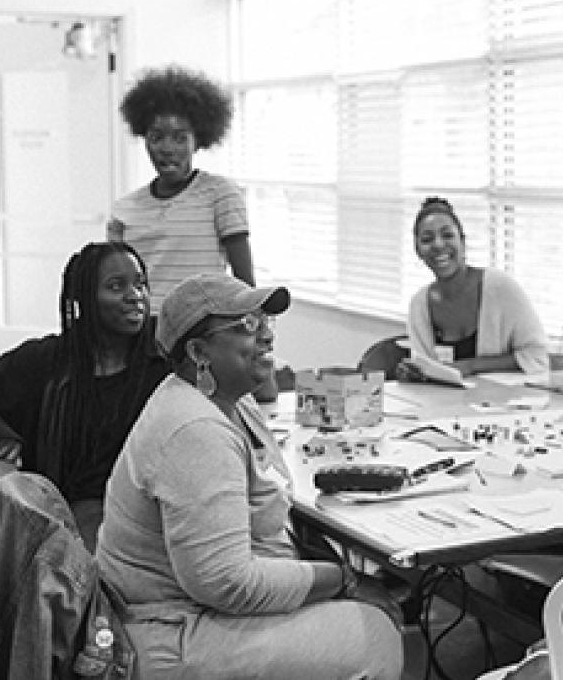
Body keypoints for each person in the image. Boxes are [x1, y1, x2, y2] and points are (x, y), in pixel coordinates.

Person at [95, 273, 403, 680]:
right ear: (198, 351)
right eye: (247, 326)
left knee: (358, 607)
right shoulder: (194, 429)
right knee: (375, 636)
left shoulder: (228, 400)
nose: (267, 337)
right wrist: (342, 579)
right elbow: (227, 583)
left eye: (266, 323)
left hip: (193, 610)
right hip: (168, 633)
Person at [0, 241, 165, 550]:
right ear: (82, 298)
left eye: (140, 284)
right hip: (86, 510)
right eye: (115, 286)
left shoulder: (163, 355)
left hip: (156, 504)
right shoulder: (50, 360)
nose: (135, 296)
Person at [107, 65, 253, 312]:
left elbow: (244, 284)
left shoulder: (220, 194)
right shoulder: (125, 209)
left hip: (201, 330)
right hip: (141, 332)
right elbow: (115, 283)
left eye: (179, 138)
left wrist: (251, 328)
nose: (167, 148)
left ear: (198, 141)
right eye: (156, 137)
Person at [404, 196, 549, 378]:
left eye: (447, 235)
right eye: (427, 239)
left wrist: (470, 366)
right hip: (444, 404)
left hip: (508, 403)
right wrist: (414, 374)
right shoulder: (419, 305)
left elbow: (536, 357)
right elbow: (429, 371)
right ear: (417, 250)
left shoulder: (501, 288)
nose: (438, 245)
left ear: (463, 242)